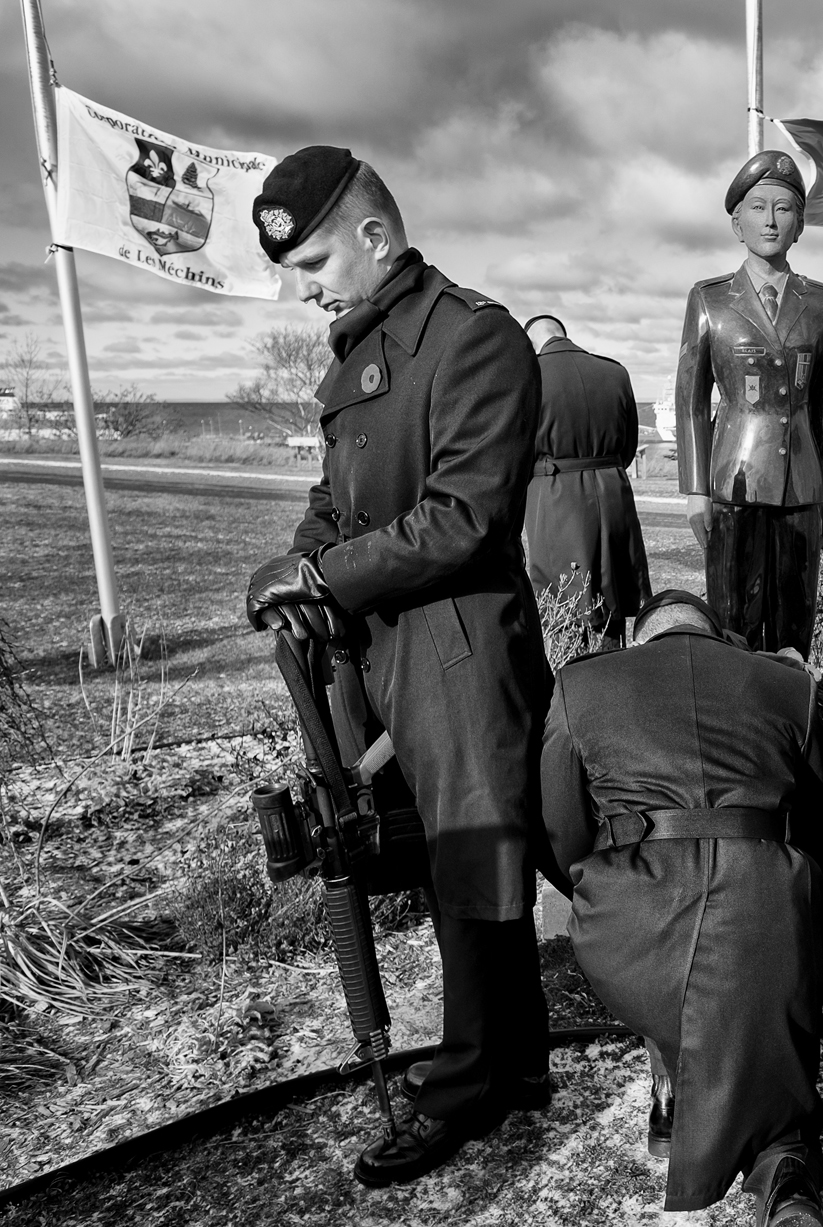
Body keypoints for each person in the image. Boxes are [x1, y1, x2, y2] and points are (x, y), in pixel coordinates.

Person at [242, 147, 554, 1186]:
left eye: (315, 262)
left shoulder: (472, 337)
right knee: (451, 853)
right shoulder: (358, 354)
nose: (304, 289)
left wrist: (326, 578)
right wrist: (298, 562)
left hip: (459, 642)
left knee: (474, 853)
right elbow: (335, 499)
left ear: (376, 237)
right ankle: (517, 1059)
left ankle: (467, 1084)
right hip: (385, 644)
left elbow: (464, 517)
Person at [539, 590, 823, 1227]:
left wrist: (596, 887)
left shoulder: (582, 684)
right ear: (719, 637)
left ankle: (670, 1095)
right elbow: (811, 827)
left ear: (637, 641)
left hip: (632, 921)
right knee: (772, 959)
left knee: (667, 967)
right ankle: (786, 1169)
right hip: (761, 901)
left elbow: (561, 827)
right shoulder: (788, 685)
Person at [674, 150, 823, 656]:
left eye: (784, 208)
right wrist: (696, 489)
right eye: (757, 207)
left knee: (796, 628)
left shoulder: (822, 302)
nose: (770, 220)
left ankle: (794, 704)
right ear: (737, 223)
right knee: (734, 626)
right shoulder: (710, 299)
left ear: (800, 226)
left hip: (803, 486)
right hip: (735, 481)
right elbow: (691, 399)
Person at [520, 313, 653, 645]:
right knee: (611, 602)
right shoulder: (615, 372)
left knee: (562, 606)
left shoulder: (529, 375)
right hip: (613, 493)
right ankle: (612, 665)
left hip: (554, 499)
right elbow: (628, 448)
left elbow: (518, 451)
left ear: (531, 343)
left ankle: (569, 675)